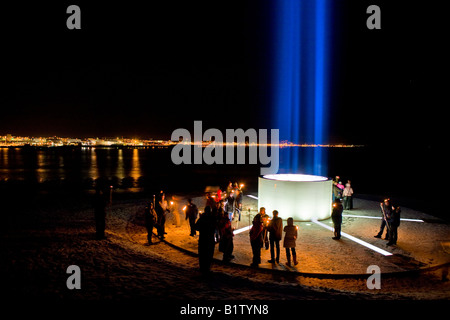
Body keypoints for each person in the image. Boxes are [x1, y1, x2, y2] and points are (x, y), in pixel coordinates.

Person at [195, 206, 217, 275]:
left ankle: (203, 268)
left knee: (202, 255)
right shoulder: (212, 218)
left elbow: (196, 227)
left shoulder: (202, 218)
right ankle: (207, 269)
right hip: (209, 239)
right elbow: (215, 227)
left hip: (203, 239)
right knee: (209, 255)